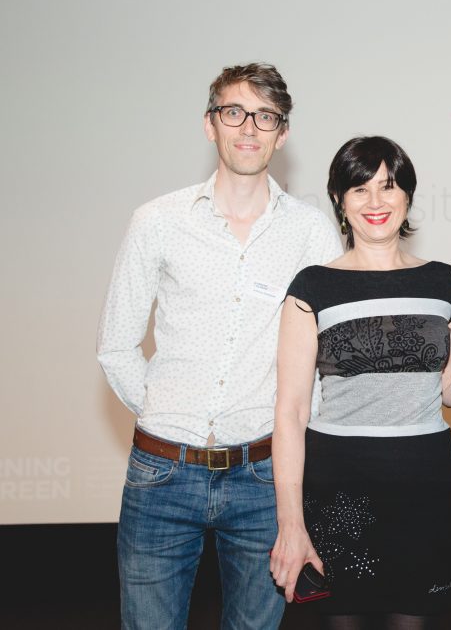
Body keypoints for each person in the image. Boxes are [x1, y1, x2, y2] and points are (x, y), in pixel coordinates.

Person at [97, 63, 342, 629]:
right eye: (234, 112)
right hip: (162, 474)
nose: (248, 128)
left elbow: (331, 358)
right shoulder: (156, 221)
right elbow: (116, 345)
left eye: (265, 117)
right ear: (211, 125)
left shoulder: (309, 232)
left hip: (263, 478)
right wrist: (165, 414)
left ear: (282, 134)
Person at [268, 136, 451, 630]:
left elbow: (446, 390)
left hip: (424, 484)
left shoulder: (443, 282)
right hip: (337, 485)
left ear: (408, 195)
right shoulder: (312, 286)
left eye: (388, 186)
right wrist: (290, 523)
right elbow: (291, 412)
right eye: (360, 189)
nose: (376, 202)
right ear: (340, 200)